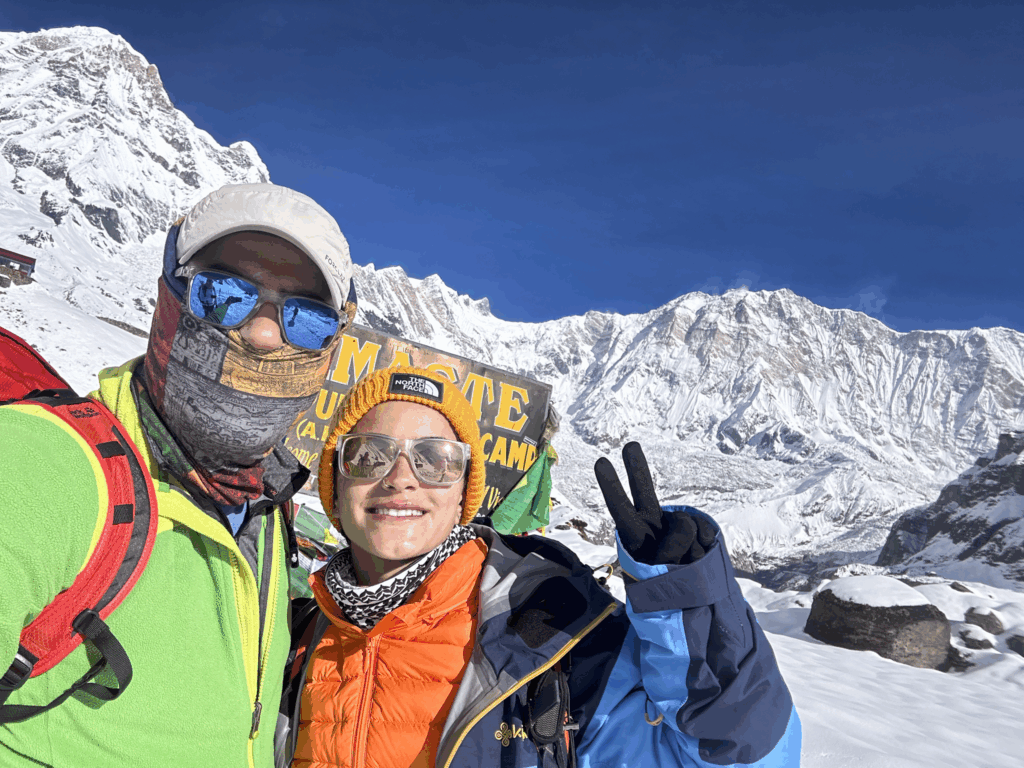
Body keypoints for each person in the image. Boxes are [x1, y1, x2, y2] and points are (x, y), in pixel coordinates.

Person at [278, 366, 801, 768]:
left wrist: (691, 607)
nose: (400, 478)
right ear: (336, 482)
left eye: (435, 459)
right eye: (368, 454)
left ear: (463, 493)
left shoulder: (555, 637)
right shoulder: (290, 638)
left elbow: (738, 759)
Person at [0, 183, 357, 767]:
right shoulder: (42, 463)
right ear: (171, 296)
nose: (264, 335)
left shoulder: (267, 508)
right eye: (224, 294)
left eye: (307, 319)